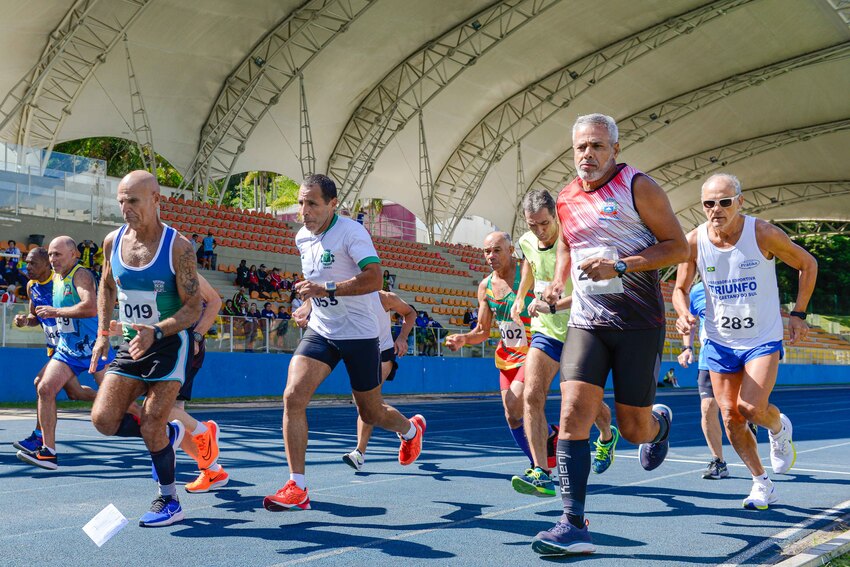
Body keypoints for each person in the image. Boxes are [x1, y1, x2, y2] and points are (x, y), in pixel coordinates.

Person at [534, 113, 689, 555]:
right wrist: (558, 280)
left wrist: (621, 264)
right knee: (571, 415)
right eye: (582, 146)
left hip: (638, 323)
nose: (589, 154)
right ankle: (572, 523)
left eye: (598, 146)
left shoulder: (639, 186)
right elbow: (567, 242)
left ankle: (658, 426)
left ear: (615, 150)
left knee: (633, 429)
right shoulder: (564, 197)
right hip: (588, 321)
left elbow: (677, 247)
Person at [262, 174, 425, 512]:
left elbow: (374, 276)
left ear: (332, 204)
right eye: (301, 203)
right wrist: (309, 302)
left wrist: (327, 290)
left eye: (312, 204)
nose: (304, 211)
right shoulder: (302, 238)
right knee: (293, 396)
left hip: (361, 335)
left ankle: (410, 431)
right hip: (322, 331)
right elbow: (316, 280)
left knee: (371, 411)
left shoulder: (351, 232)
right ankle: (298, 485)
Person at [672, 173, 817, 510]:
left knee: (751, 408)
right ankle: (761, 483)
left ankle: (778, 428)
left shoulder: (761, 233)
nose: (716, 209)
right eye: (709, 203)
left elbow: (807, 264)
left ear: (740, 200)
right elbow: (679, 289)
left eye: (724, 201)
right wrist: (682, 313)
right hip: (720, 341)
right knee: (731, 417)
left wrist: (799, 313)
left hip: (761, 337)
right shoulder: (694, 241)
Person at [89, 170, 203, 527]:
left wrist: (156, 330)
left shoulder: (179, 248)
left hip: (169, 344)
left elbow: (193, 308)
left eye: (133, 201)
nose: (125, 208)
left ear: (156, 200)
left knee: (152, 422)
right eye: (121, 201)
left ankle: (169, 499)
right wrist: (103, 334)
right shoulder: (113, 242)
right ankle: (165, 437)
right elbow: (106, 287)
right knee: (103, 420)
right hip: (131, 343)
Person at [509, 189, 617, 499]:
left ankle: (607, 436)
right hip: (545, 330)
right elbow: (529, 264)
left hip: (579, 328)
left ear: (556, 216)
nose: (539, 231)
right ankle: (541, 472)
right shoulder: (527, 241)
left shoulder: (576, 242)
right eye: (533, 225)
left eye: (544, 223)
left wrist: (553, 306)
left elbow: (589, 291)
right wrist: (520, 297)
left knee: (581, 406)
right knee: (531, 395)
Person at [445, 232, 548, 476]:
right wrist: (463, 339)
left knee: (517, 402)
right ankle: (544, 448)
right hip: (507, 356)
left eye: (497, 250)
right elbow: (482, 330)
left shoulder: (529, 272)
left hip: (536, 349)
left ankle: (539, 467)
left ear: (511, 250)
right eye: (486, 251)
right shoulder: (486, 286)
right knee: (512, 416)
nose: (491, 256)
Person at [16, 237, 115, 470]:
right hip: (65, 349)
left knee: (112, 401)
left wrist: (55, 311)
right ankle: (47, 450)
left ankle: (158, 427)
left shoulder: (78, 275)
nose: (53, 259)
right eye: (51, 254)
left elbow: (90, 306)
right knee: (44, 386)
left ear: (73, 255)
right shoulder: (36, 286)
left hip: (92, 347)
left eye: (57, 255)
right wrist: (26, 321)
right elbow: (37, 316)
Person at [677, 281, 757, 480]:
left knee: (743, 408)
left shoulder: (740, 281)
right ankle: (718, 461)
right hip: (710, 357)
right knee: (708, 407)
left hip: (743, 353)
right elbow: (690, 321)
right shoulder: (696, 291)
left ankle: (763, 426)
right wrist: (687, 348)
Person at [341, 290, 417, 470]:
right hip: (360, 355)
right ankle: (410, 429)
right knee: (366, 405)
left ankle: (359, 453)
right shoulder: (344, 296)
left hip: (383, 354)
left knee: (368, 402)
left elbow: (411, 312)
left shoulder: (383, 297)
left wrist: (402, 337)